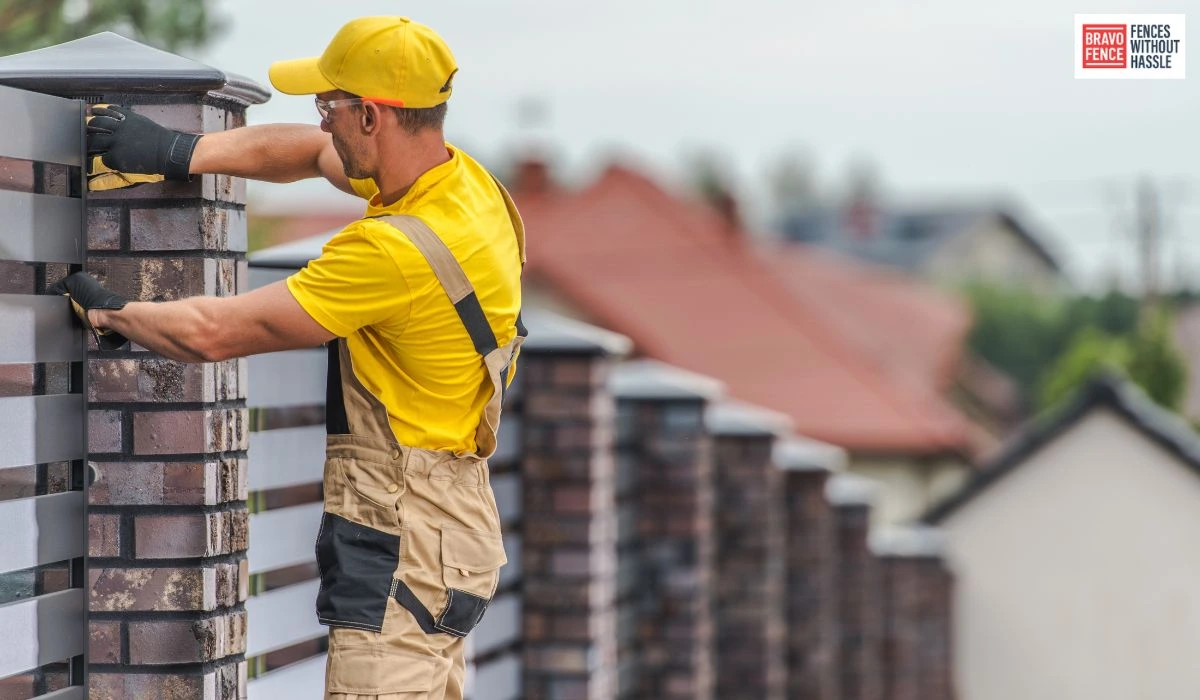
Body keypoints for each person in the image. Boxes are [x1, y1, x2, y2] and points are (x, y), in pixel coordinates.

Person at [52, 16, 524, 700]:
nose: (322, 120)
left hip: (403, 535)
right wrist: (183, 149)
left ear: (373, 115)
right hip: (448, 527)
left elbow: (217, 331)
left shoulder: (392, 252)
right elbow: (308, 154)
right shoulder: (462, 188)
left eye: (329, 106)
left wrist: (111, 312)